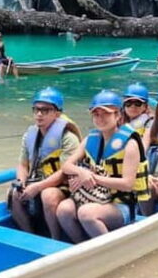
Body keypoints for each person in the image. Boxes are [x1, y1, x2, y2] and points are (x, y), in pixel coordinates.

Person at [56, 90, 150, 242]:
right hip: (95, 198)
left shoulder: (130, 144)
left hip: (121, 205)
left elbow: (127, 184)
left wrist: (92, 178)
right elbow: (67, 165)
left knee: (86, 213)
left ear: (118, 115)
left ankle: (109, 251)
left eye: (106, 114)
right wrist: (81, 172)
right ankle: (82, 246)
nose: (100, 118)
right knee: (63, 209)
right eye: (96, 114)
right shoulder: (90, 140)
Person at [10, 87, 81, 241]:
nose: (39, 114)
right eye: (36, 110)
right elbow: (22, 165)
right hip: (39, 180)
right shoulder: (30, 135)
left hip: (65, 185)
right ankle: (29, 236)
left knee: (48, 195)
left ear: (57, 113)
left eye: (45, 110)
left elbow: (64, 172)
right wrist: (21, 182)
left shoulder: (68, 138)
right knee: (15, 193)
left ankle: (55, 239)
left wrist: (38, 187)